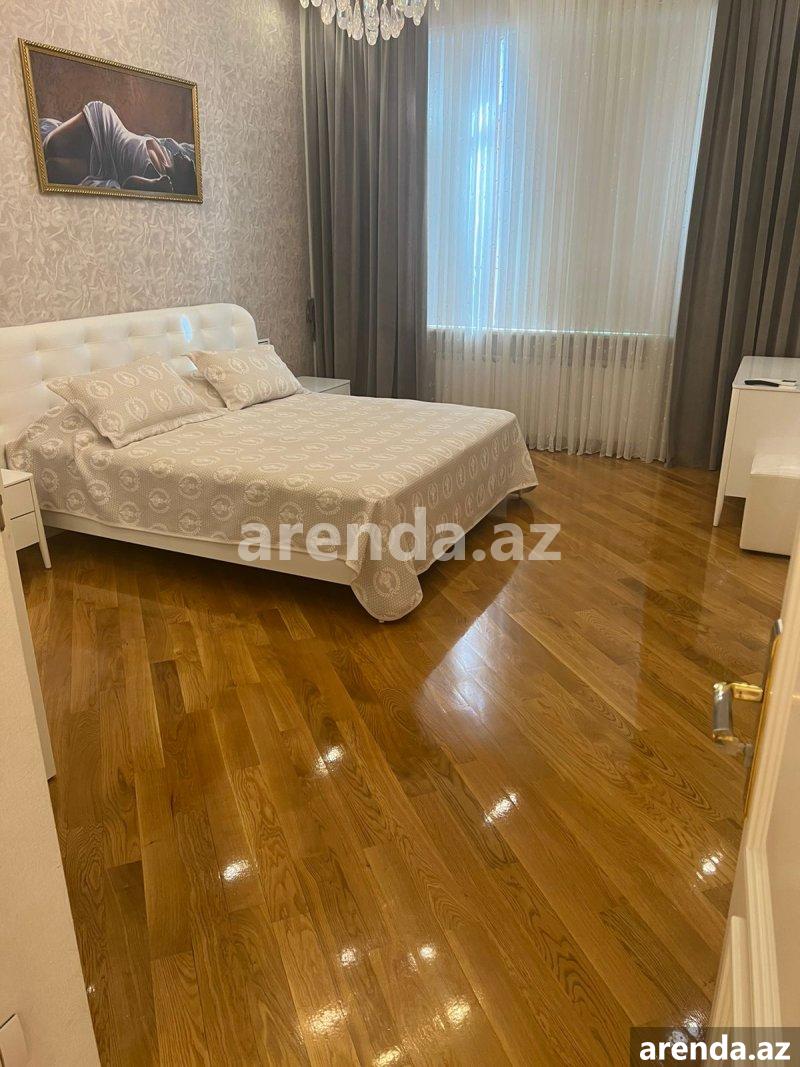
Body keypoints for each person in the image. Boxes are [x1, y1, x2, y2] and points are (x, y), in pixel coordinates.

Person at [40, 100, 197, 194]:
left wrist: (154, 184)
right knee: (50, 146)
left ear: (183, 177)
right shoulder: (167, 153)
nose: (187, 159)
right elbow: (189, 151)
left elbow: (129, 184)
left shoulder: (157, 176)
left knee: (51, 168)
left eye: (189, 165)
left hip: (106, 164)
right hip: (106, 125)